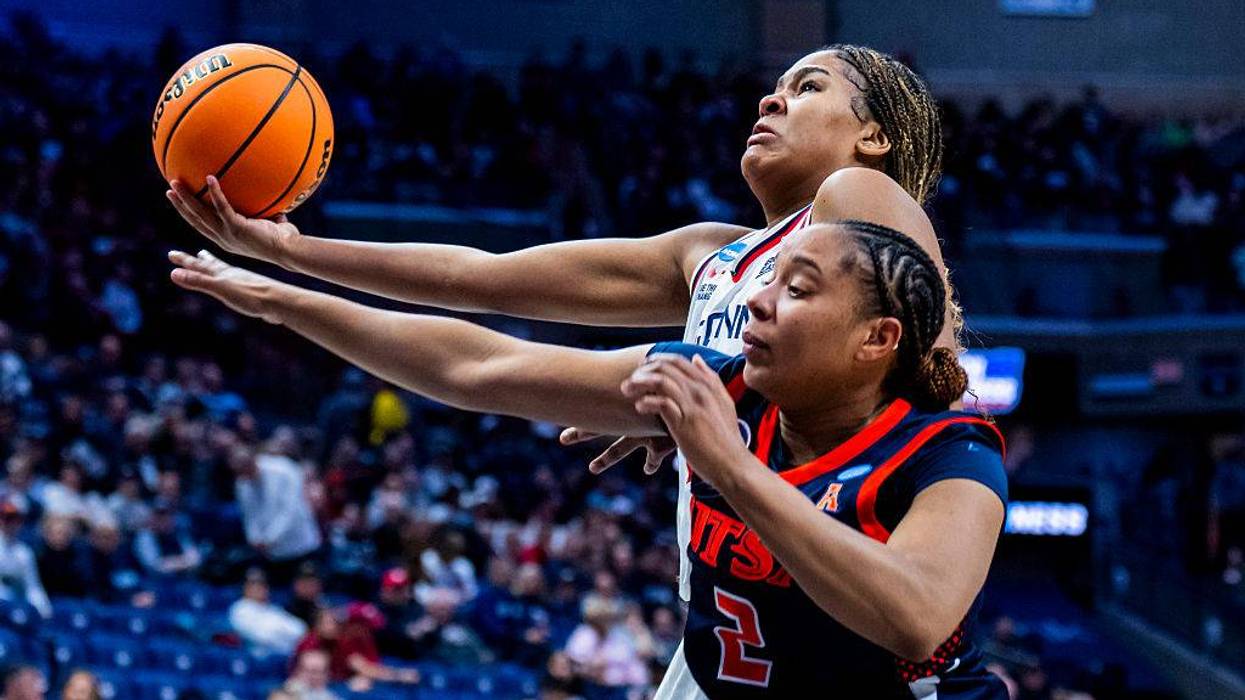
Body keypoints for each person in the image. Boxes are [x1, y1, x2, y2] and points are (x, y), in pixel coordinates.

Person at [166, 44, 952, 616]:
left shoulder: (858, 195)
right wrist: (288, 252)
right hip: (724, 629)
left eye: (806, 88)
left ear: (872, 137)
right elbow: (479, 279)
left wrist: (736, 403)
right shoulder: (712, 253)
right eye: (773, 87)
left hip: (844, 609)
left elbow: (928, 366)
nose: (768, 100)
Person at [168, 218, 1007, 696]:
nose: (753, 298)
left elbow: (914, 613)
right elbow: (479, 366)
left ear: (877, 340)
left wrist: (731, 468)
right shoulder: (717, 385)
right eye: (765, 279)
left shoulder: (949, 454)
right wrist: (285, 298)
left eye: (795, 288)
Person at [229, 443, 322, 584]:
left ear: (253, 460)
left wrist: (269, 539)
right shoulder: (242, 482)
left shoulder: (285, 471)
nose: (243, 476)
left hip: (299, 545)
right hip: (272, 553)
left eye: (245, 470)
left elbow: (289, 511)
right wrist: (254, 538)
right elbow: (249, 514)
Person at [294, 606, 421, 690]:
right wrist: (346, 685)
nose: (332, 627)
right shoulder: (308, 644)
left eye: (335, 623)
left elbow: (364, 668)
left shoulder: (341, 642)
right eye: (327, 623)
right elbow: (303, 677)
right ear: (317, 625)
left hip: (333, 689)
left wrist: (398, 675)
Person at [227, 568, 307, 655]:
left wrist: (277, 632)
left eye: (262, 585)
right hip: (257, 657)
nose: (258, 588)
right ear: (245, 588)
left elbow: (300, 629)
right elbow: (262, 637)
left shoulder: (273, 608)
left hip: (285, 654)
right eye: (253, 584)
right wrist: (283, 634)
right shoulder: (240, 608)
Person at [0, 500, 51, 618]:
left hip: (13, 606)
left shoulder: (24, 552)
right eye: (4, 518)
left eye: (14, 519)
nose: (9, 523)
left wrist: (44, 611)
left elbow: (33, 587)